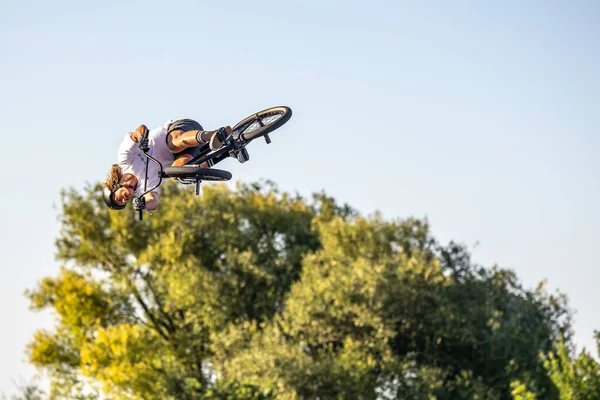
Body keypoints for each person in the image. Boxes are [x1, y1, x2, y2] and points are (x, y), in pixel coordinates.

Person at [102, 119, 232, 211]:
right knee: (177, 174)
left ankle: (213, 135)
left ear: (114, 186)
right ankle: (228, 152)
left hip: (181, 131)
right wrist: (144, 204)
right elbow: (153, 201)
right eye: (123, 203)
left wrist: (140, 139)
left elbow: (139, 130)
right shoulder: (142, 190)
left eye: (119, 199)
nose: (124, 200)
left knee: (173, 145)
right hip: (188, 154)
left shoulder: (125, 160)